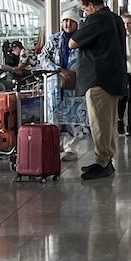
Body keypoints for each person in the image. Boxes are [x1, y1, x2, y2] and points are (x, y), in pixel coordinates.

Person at [68, 0, 126, 180]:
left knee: (99, 123)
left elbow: (73, 43)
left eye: (84, 8)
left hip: (98, 79)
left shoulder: (97, 19)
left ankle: (103, 161)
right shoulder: (115, 19)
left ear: (91, 5)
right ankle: (106, 158)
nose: (84, 12)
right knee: (108, 123)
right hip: (113, 78)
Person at [39, 10, 91, 160]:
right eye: (65, 21)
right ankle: (55, 145)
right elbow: (42, 58)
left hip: (76, 84)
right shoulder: (54, 39)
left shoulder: (83, 40)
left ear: (77, 23)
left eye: (71, 21)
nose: (67, 24)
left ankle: (71, 148)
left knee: (75, 116)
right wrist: (59, 70)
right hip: (55, 84)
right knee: (54, 116)